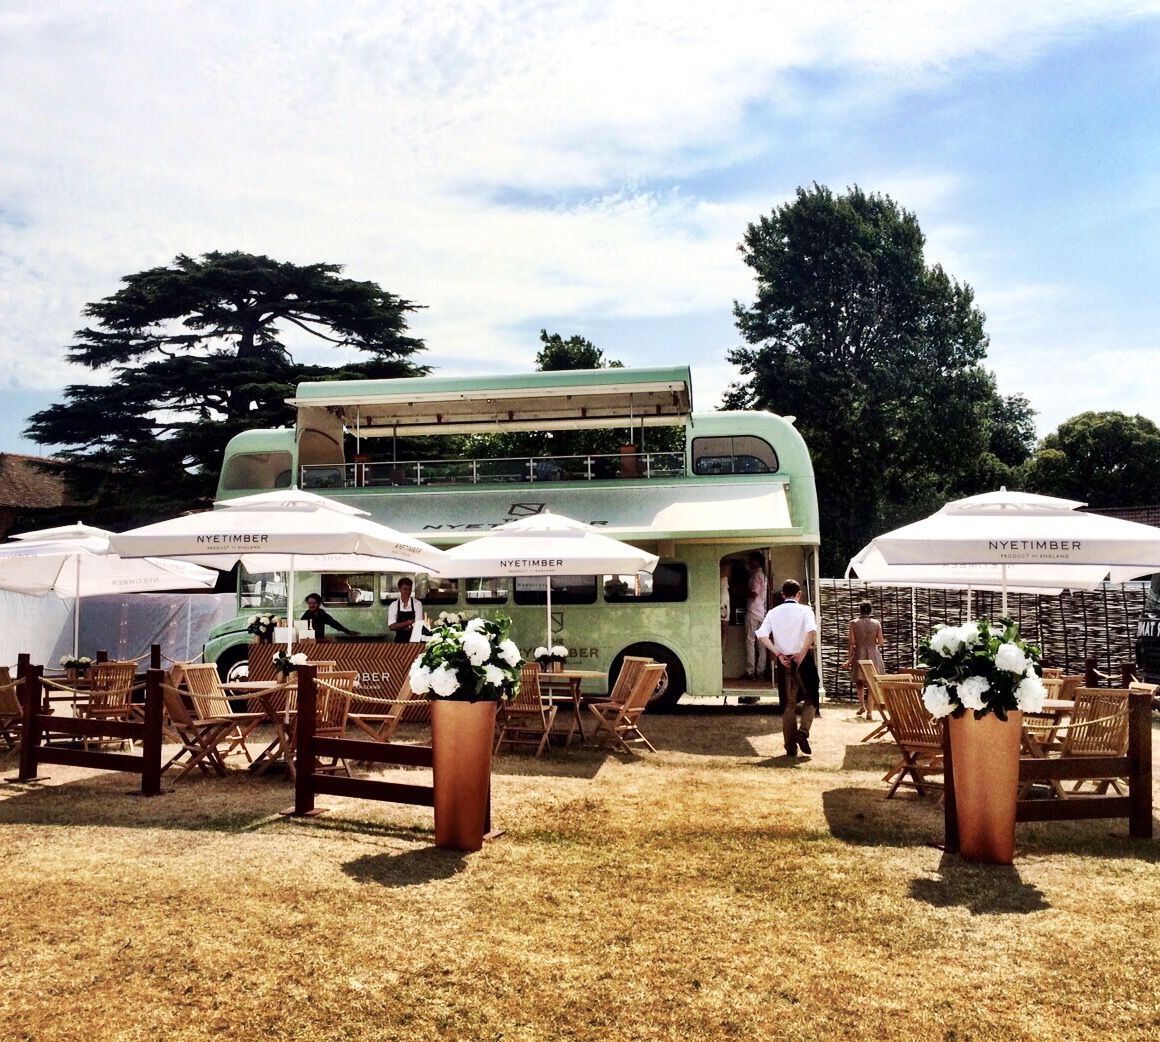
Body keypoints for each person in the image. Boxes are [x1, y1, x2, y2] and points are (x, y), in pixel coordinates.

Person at [756, 578, 820, 757]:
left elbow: (762, 635)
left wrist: (777, 653)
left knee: (788, 704)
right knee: (812, 697)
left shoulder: (773, 612)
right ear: (799, 594)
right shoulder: (806, 610)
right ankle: (803, 731)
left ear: (783, 595)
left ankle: (790, 745)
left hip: (784, 660)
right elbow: (811, 632)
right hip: (803, 659)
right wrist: (802, 652)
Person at [842, 600, 885, 718]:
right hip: (873, 654)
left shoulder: (853, 623)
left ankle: (862, 706)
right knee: (872, 683)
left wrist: (849, 658)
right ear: (871, 610)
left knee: (859, 682)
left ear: (860, 610)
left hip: (859, 653)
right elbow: (881, 642)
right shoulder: (876, 623)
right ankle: (870, 712)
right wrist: (873, 641)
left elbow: (851, 642)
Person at [743, 551, 768, 681]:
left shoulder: (756, 576)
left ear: (757, 562)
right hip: (761, 613)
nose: (749, 563)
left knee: (750, 641)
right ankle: (761, 671)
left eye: (751, 560)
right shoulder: (763, 576)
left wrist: (741, 590)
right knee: (761, 644)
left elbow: (753, 593)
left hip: (753, 611)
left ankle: (750, 671)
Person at [387, 577, 430, 642]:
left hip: (415, 640)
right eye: (405, 589)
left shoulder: (417, 604)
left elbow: (418, 624)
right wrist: (409, 622)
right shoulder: (393, 605)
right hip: (399, 640)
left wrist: (400, 626)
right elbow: (391, 627)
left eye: (409, 589)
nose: (408, 592)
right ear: (399, 589)